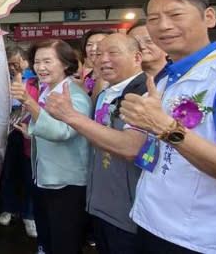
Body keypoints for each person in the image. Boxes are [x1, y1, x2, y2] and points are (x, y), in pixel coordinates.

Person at [119, 0, 216, 254]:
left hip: (198, 238)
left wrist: (165, 127)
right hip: (150, 220)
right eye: (153, 19)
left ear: (209, 17)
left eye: (176, 15)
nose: (163, 26)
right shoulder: (166, 77)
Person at [44, 34, 148, 254]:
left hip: (129, 212)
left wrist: (71, 116)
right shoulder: (106, 93)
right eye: (99, 54)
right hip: (102, 204)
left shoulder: (144, 92)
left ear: (137, 57)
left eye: (113, 53)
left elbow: (131, 148)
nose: (103, 59)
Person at [11, 39, 92, 254]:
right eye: (37, 62)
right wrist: (32, 133)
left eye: (48, 61)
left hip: (67, 185)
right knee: (47, 239)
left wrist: (29, 101)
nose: (41, 67)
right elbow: (49, 127)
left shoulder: (74, 95)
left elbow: (61, 132)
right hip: (46, 179)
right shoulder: (48, 90)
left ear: (66, 64)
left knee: (64, 243)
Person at [0, 46, 38, 239]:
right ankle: (8, 208)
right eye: (9, 64)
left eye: (15, 63)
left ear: (24, 59)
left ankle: (29, 215)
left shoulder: (36, 79)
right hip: (10, 133)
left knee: (30, 176)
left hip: (32, 134)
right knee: (9, 172)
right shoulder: (3, 79)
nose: (13, 67)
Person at [81, 29, 113, 98]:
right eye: (89, 45)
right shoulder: (87, 77)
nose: (93, 48)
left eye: (99, 44)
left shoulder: (114, 76)